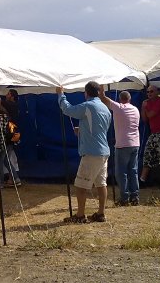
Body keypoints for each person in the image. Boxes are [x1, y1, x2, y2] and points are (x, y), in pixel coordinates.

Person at [57, 82, 111, 223]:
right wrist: (82, 131)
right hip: (103, 151)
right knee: (101, 184)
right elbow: (100, 130)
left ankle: (80, 216)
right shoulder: (105, 108)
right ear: (99, 92)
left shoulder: (88, 106)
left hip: (92, 152)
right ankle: (101, 213)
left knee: (81, 185)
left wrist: (60, 94)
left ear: (86, 93)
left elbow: (67, 109)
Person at [98, 86, 141, 206]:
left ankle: (124, 198)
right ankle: (135, 196)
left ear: (120, 99)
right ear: (130, 99)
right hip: (135, 143)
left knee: (121, 172)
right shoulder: (135, 109)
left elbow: (104, 99)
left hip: (123, 144)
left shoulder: (119, 108)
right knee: (133, 171)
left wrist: (102, 92)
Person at [0, 87, 21, 186]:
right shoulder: (14, 106)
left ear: (12, 96)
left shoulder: (11, 104)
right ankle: (14, 178)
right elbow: (1, 108)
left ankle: (2, 182)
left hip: (9, 134)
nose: (6, 95)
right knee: (6, 159)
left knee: (1, 159)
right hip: (13, 134)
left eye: (8, 94)